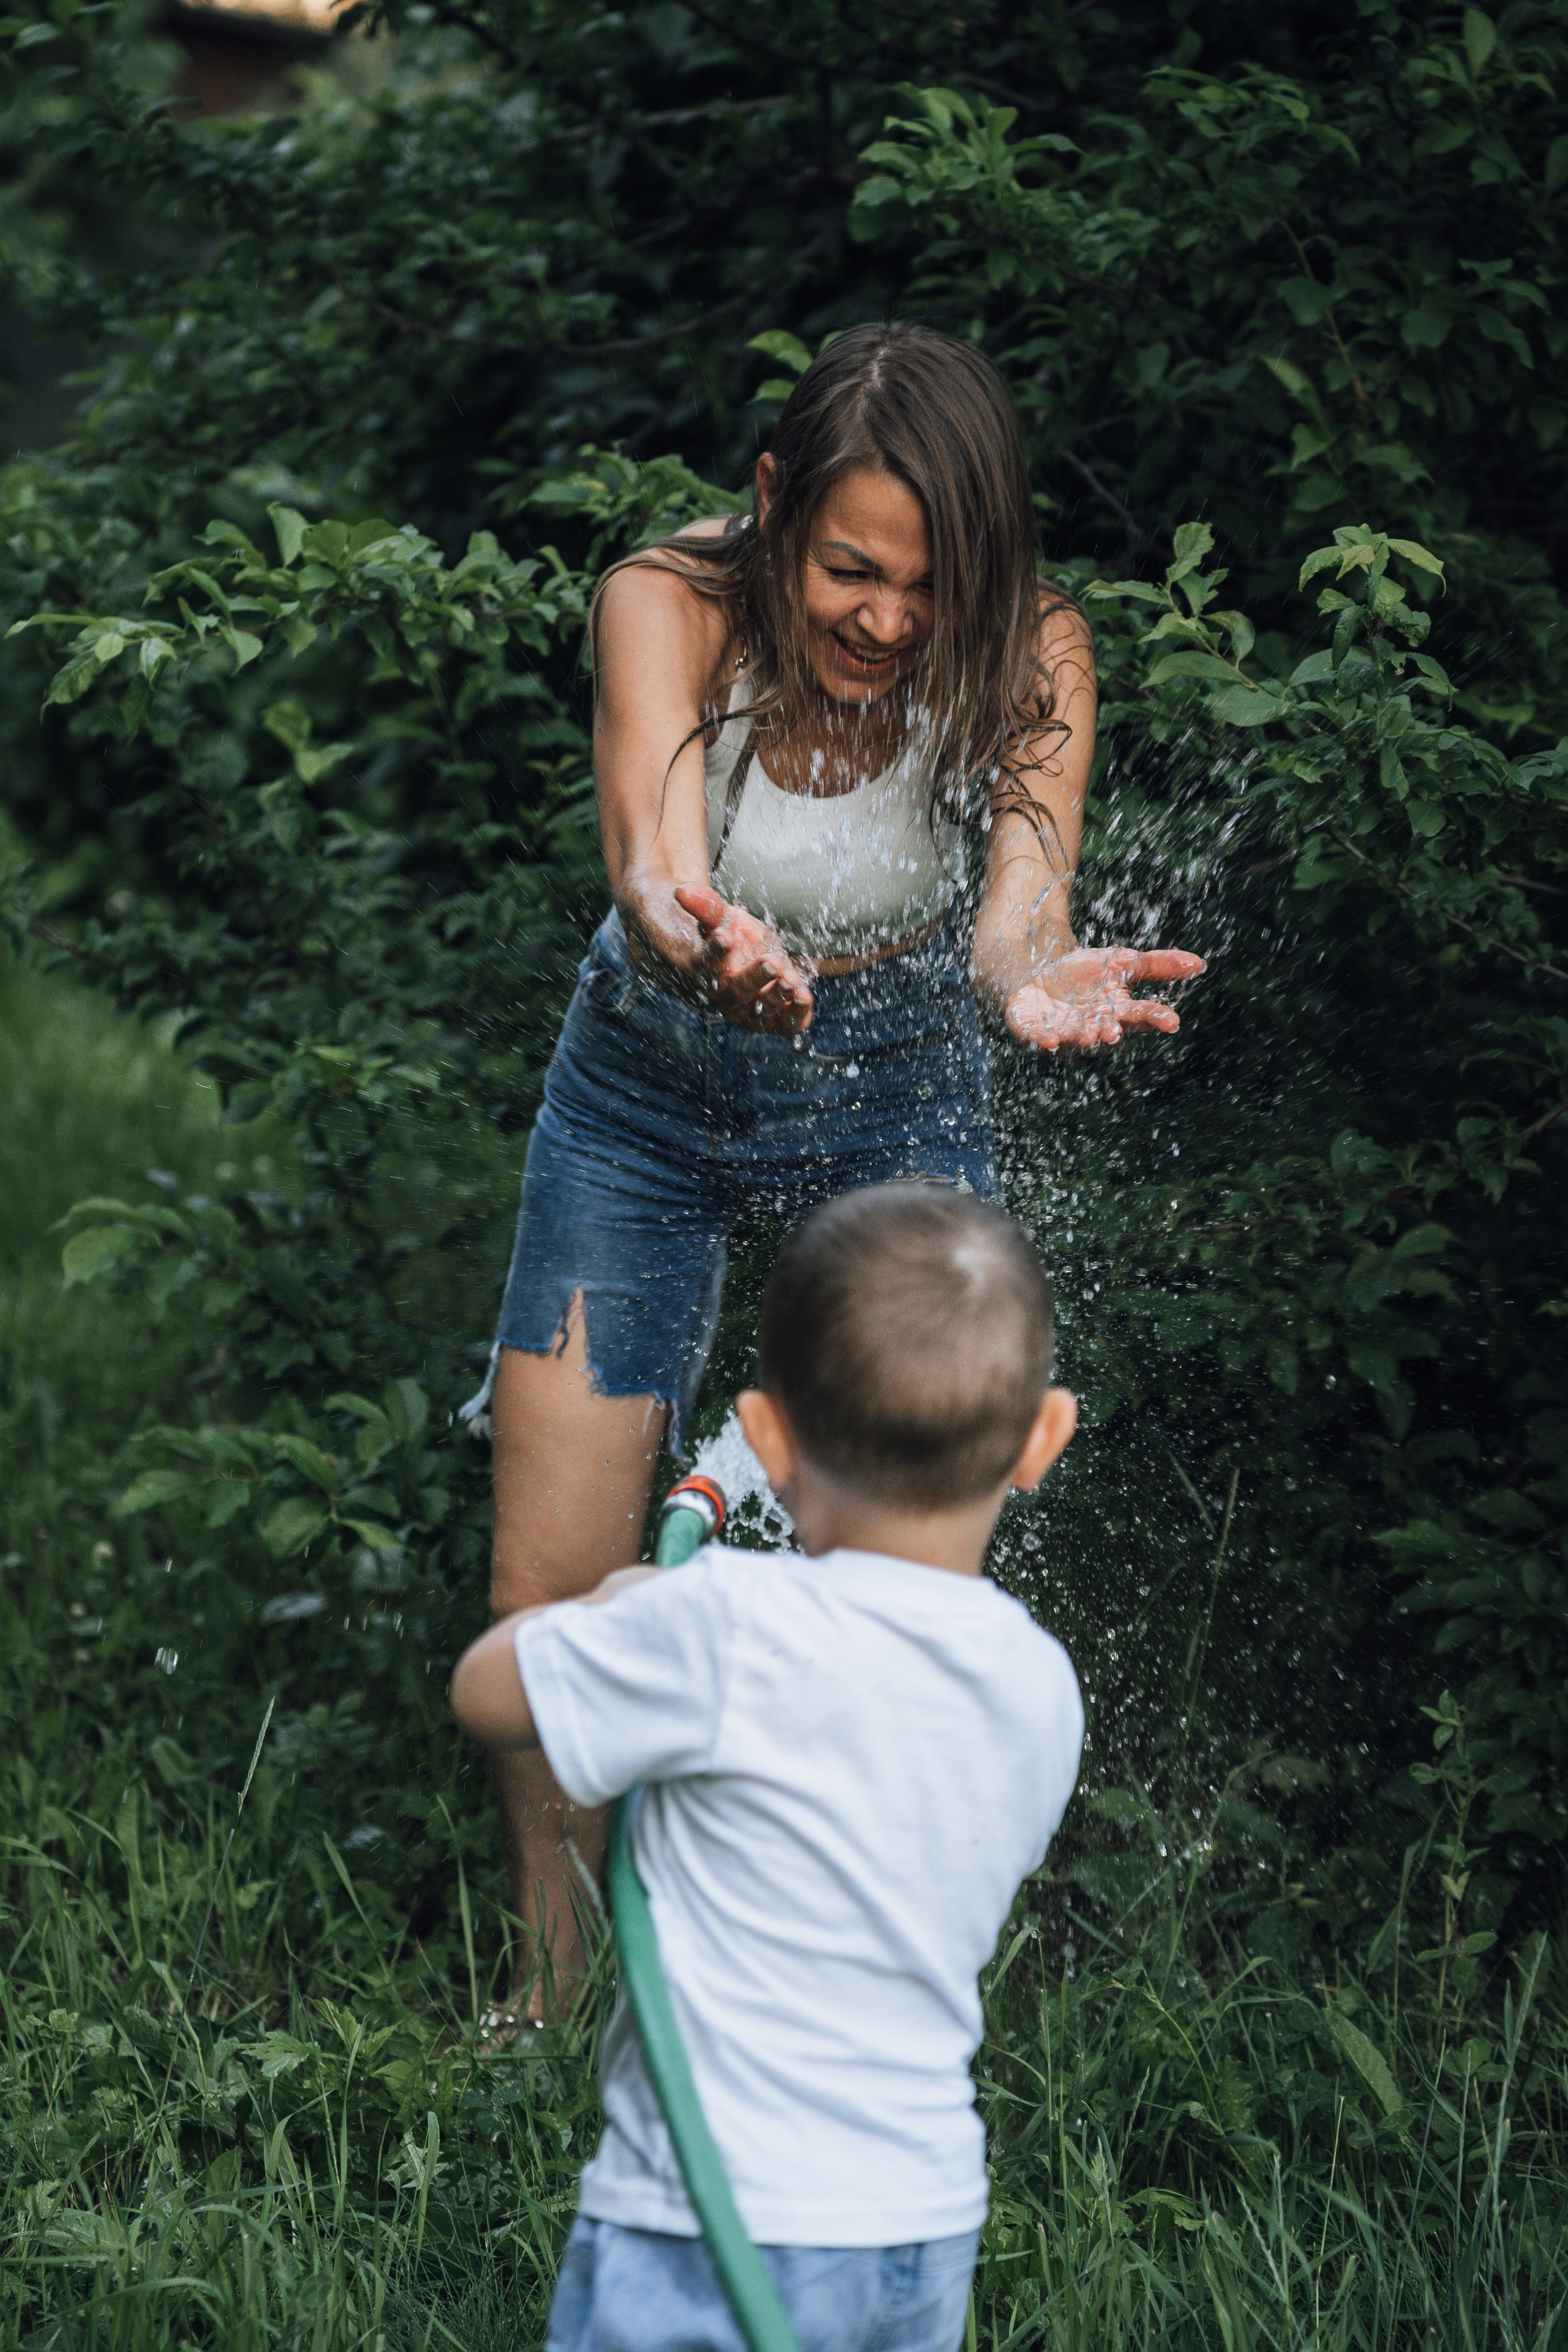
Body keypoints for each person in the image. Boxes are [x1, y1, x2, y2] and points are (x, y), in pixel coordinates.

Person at [475, 320, 1200, 2017]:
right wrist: (693, 938)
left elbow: (1020, 903)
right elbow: (654, 868)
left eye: (927, 585)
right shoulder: (666, 601)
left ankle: (798, 1983)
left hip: (892, 1091)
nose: (886, 619)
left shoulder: (1037, 655)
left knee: (871, 1587)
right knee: (556, 1581)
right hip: (643, 1090)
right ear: (773, 506)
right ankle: (555, 1994)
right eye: (849, 569)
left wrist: (1031, 979)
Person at [451, 1182, 1085, 2352]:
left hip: (706, 2223)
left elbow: (487, 1693)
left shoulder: (723, 1628)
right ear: (1045, 1437)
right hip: (920, 2230)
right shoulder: (1039, 1681)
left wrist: (621, 1606)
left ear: (771, 1438)